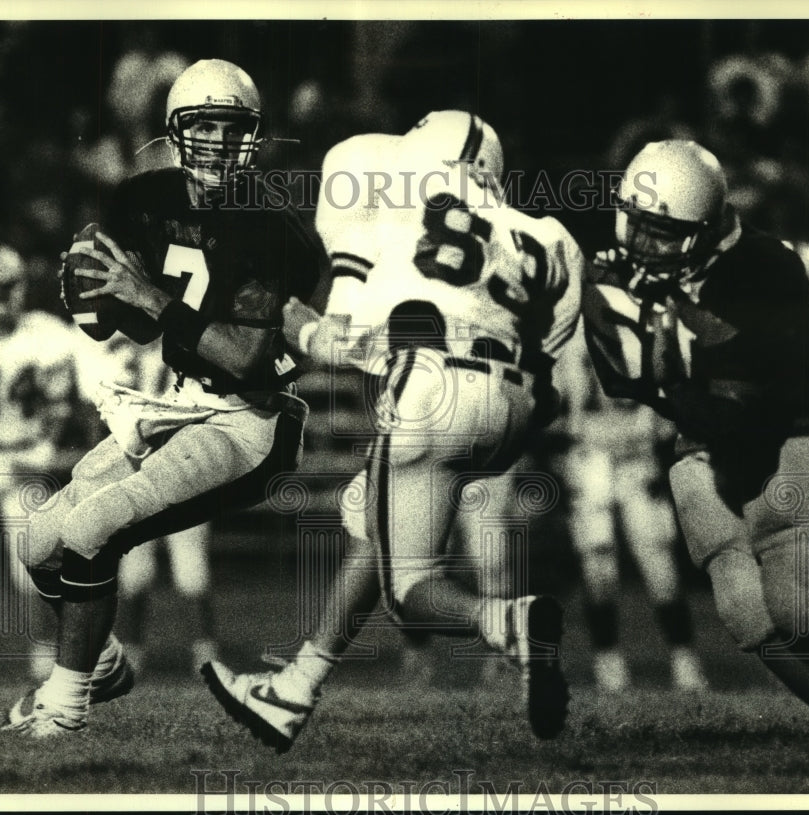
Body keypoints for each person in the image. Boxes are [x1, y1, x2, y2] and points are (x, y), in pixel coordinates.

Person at [201, 110, 583, 752]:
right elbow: (548, 384)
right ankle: (292, 692)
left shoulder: (388, 185)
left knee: (409, 592)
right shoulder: (548, 234)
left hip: (432, 388)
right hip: (511, 409)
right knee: (366, 522)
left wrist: (301, 326)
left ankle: (511, 622)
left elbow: (341, 341)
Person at [0, 58, 323, 737]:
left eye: (228, 127)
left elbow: (244, 355)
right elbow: (144, 321)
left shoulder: (274, 225)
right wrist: (103, 301)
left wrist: (146, 294)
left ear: (252, 137)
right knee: (38, 542)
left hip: (247, 420)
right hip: (176, 404)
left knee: (95, 530)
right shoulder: (145, 199)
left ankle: (64, 702)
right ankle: (106, 659)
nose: (214, 141)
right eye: (200, 125)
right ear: (176, 133)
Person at [578, 139, 809, 741]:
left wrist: (667, 330)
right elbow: (621, 378)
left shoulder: (765, 264)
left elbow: (748, 397)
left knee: (800, 605)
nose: (643, 245)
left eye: (663, 233)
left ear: (705, 229)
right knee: (746, 613)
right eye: (638, 225)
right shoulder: (618, 270)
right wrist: (644, 353)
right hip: (701, 432)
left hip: (789, 431)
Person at [0, 242, 99, 679]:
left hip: (27, 454)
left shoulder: (45, 333)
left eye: (4, 288)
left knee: (31, 564)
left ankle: (44, 652)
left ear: (19, 288)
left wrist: (45, 453)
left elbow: (60, 409)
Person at [554, 332, 708, 692]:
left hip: (635, 457)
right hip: (589, 457)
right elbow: (555, 410)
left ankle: (684, 662)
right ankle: (609, 665)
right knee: (599, 565)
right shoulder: (571, 344)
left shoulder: (641, 337)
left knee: (658, 564)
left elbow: (671, 412)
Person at [99, 332, 220, 674]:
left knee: (189, 571)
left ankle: (202, 651)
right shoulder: (121, 353)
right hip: (149, 471)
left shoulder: (176, 353)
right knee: (141, 573)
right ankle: (147, 652)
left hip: (178, 469)